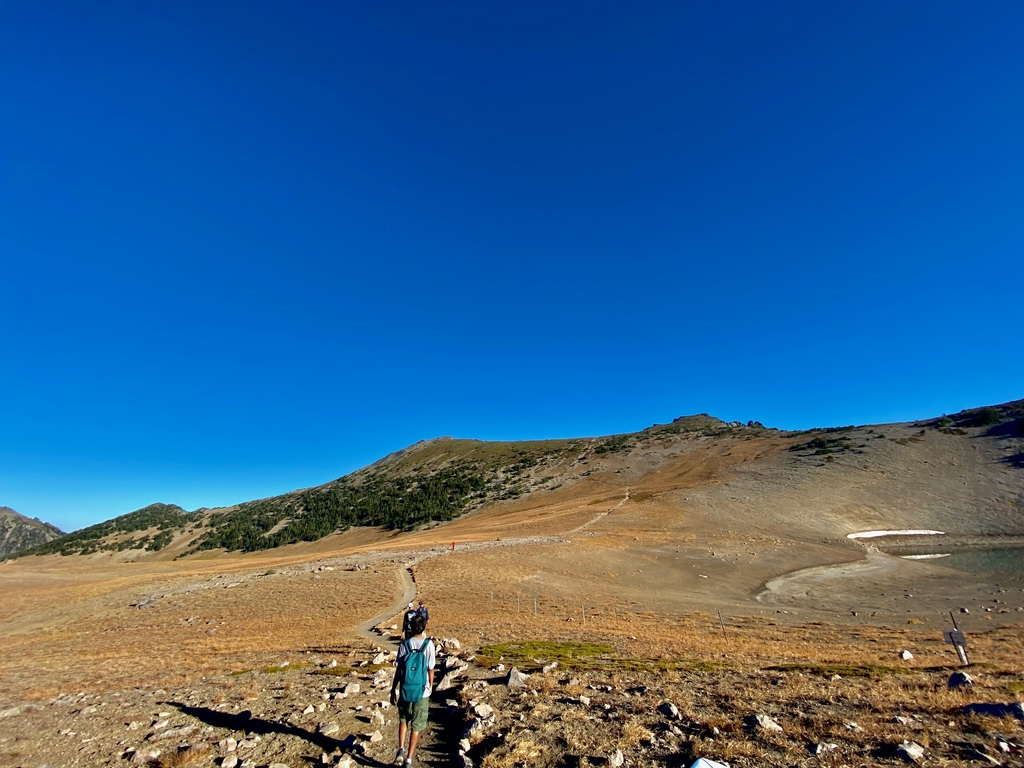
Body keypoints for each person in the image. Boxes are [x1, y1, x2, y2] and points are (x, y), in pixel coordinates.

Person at [391, 612, 434, 767]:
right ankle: (409, 759)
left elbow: (399, 669)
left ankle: (400, 749)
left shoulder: (404, 645)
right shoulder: (429, 645)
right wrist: (430, 686)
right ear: (424, 628)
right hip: (422, 691)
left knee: (403, 720)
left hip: (405, 688)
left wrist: (393, 688)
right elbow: (431, 668)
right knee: (416, 725)